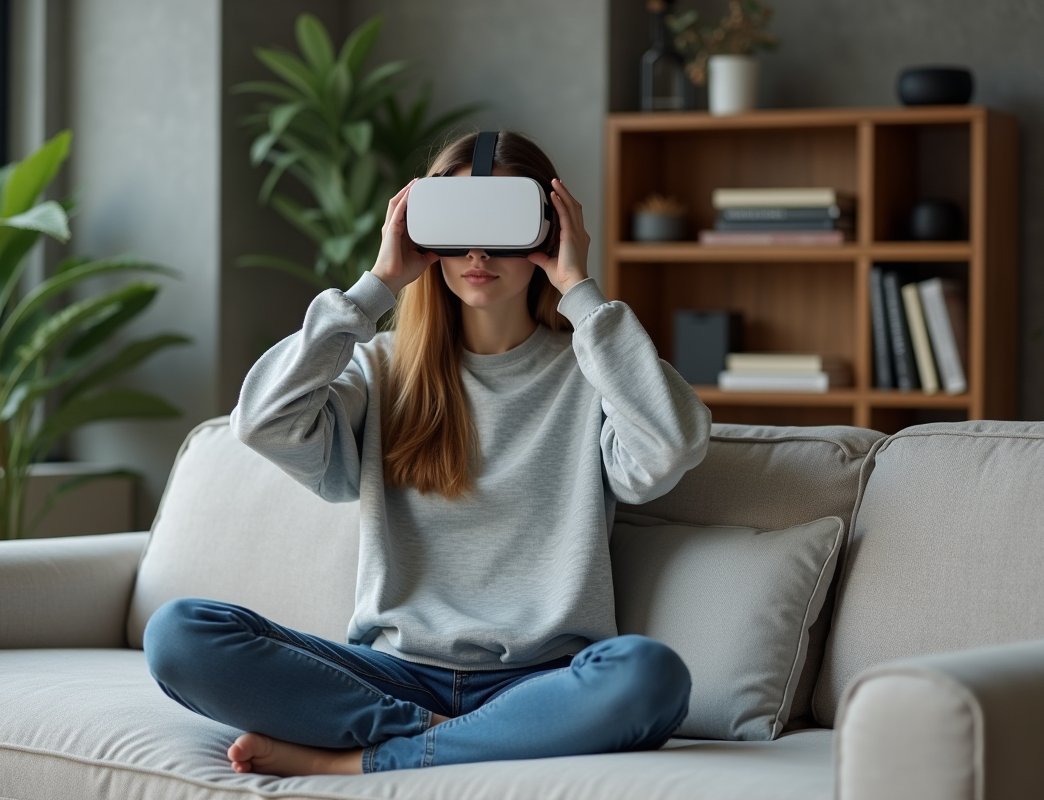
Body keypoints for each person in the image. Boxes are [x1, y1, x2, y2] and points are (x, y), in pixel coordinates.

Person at [143, 130, 712, 777]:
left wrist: (580, 288)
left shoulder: (595, 375)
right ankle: (449, 740)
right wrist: (377, 285)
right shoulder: (384, 370)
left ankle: (358, 762)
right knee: (179, 634)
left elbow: (672, 446)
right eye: (457, 225)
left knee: (651, 676)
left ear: (549, 232)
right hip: (392, 674)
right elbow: (262, 421)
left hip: (542, 678)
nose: (477, 250)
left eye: (504, 225)